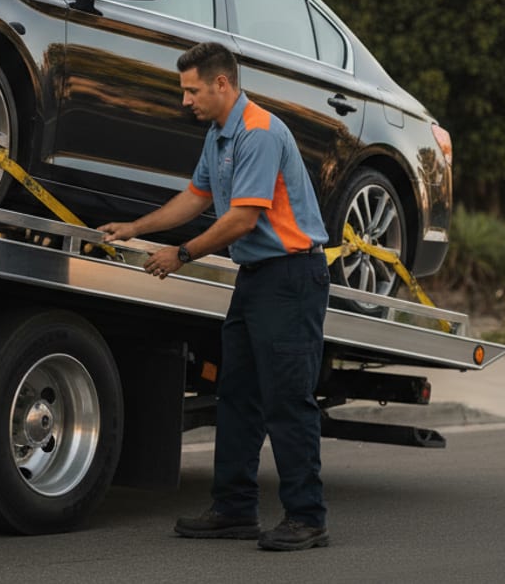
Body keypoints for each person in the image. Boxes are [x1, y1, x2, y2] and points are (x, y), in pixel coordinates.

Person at [98, 41, 331, 551]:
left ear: (221, 84)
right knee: (238, 396)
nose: (185, 100)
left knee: (286, 399)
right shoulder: (219, 136)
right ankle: (234, 510)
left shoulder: (260, 133)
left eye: (191, 89)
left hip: (291, 278)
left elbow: (242, 218)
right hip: (256, 279)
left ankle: (307, 517)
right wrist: (137, 228)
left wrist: (180, 255)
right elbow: (196, 198)